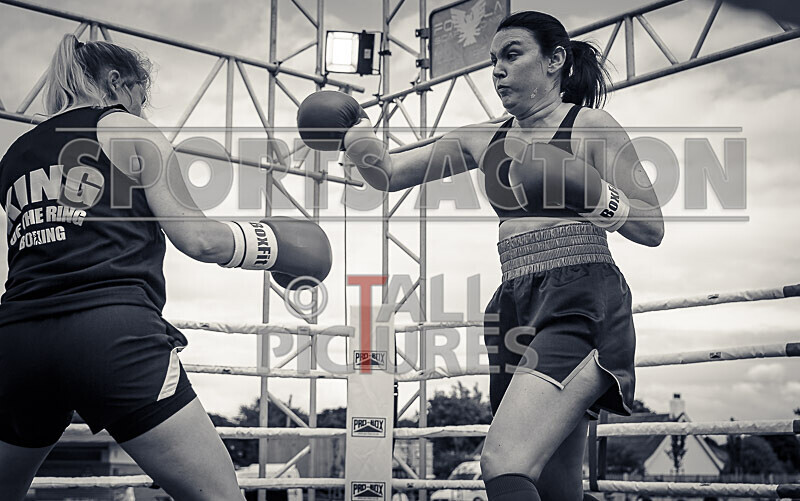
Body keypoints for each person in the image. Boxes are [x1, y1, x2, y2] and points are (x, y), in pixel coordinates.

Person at [297, 11, 663, 501]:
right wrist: (354, 134)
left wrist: (596, 195)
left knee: (503, 462)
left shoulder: (591, 126)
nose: (497, 70)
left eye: (512, 55)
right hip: (516, 301)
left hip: (581, 298)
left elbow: (651, 226)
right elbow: (386, 176)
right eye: (492, 60)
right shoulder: (480, 138)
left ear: (555, 60)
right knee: (554, 484)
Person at [0, 35, 331, 500]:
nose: (142, 109)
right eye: (139, 95)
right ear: (116, 83)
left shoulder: (15, 152)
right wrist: (276, 243)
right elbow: (198, 239)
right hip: (111, 335)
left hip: (17, 343)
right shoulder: (126, 129)